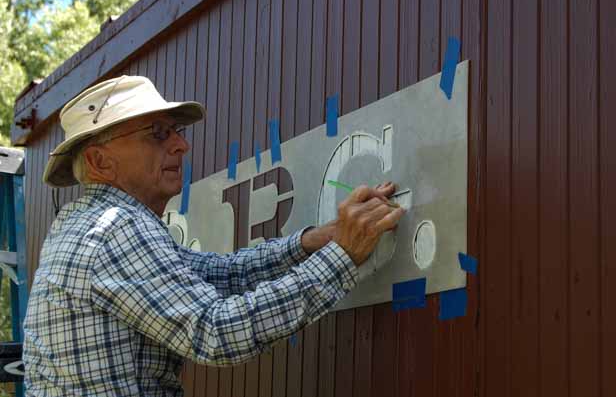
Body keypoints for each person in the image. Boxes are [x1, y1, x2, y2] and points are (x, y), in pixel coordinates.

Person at [23, 75, 405, 396]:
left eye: (176, 131)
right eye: (157, 133)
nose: (181, 144)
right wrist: (341, 256)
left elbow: (216, 274)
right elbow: (215, 331)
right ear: (99, 161)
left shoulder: (84, 224)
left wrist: (311, 243)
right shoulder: (115, 227)